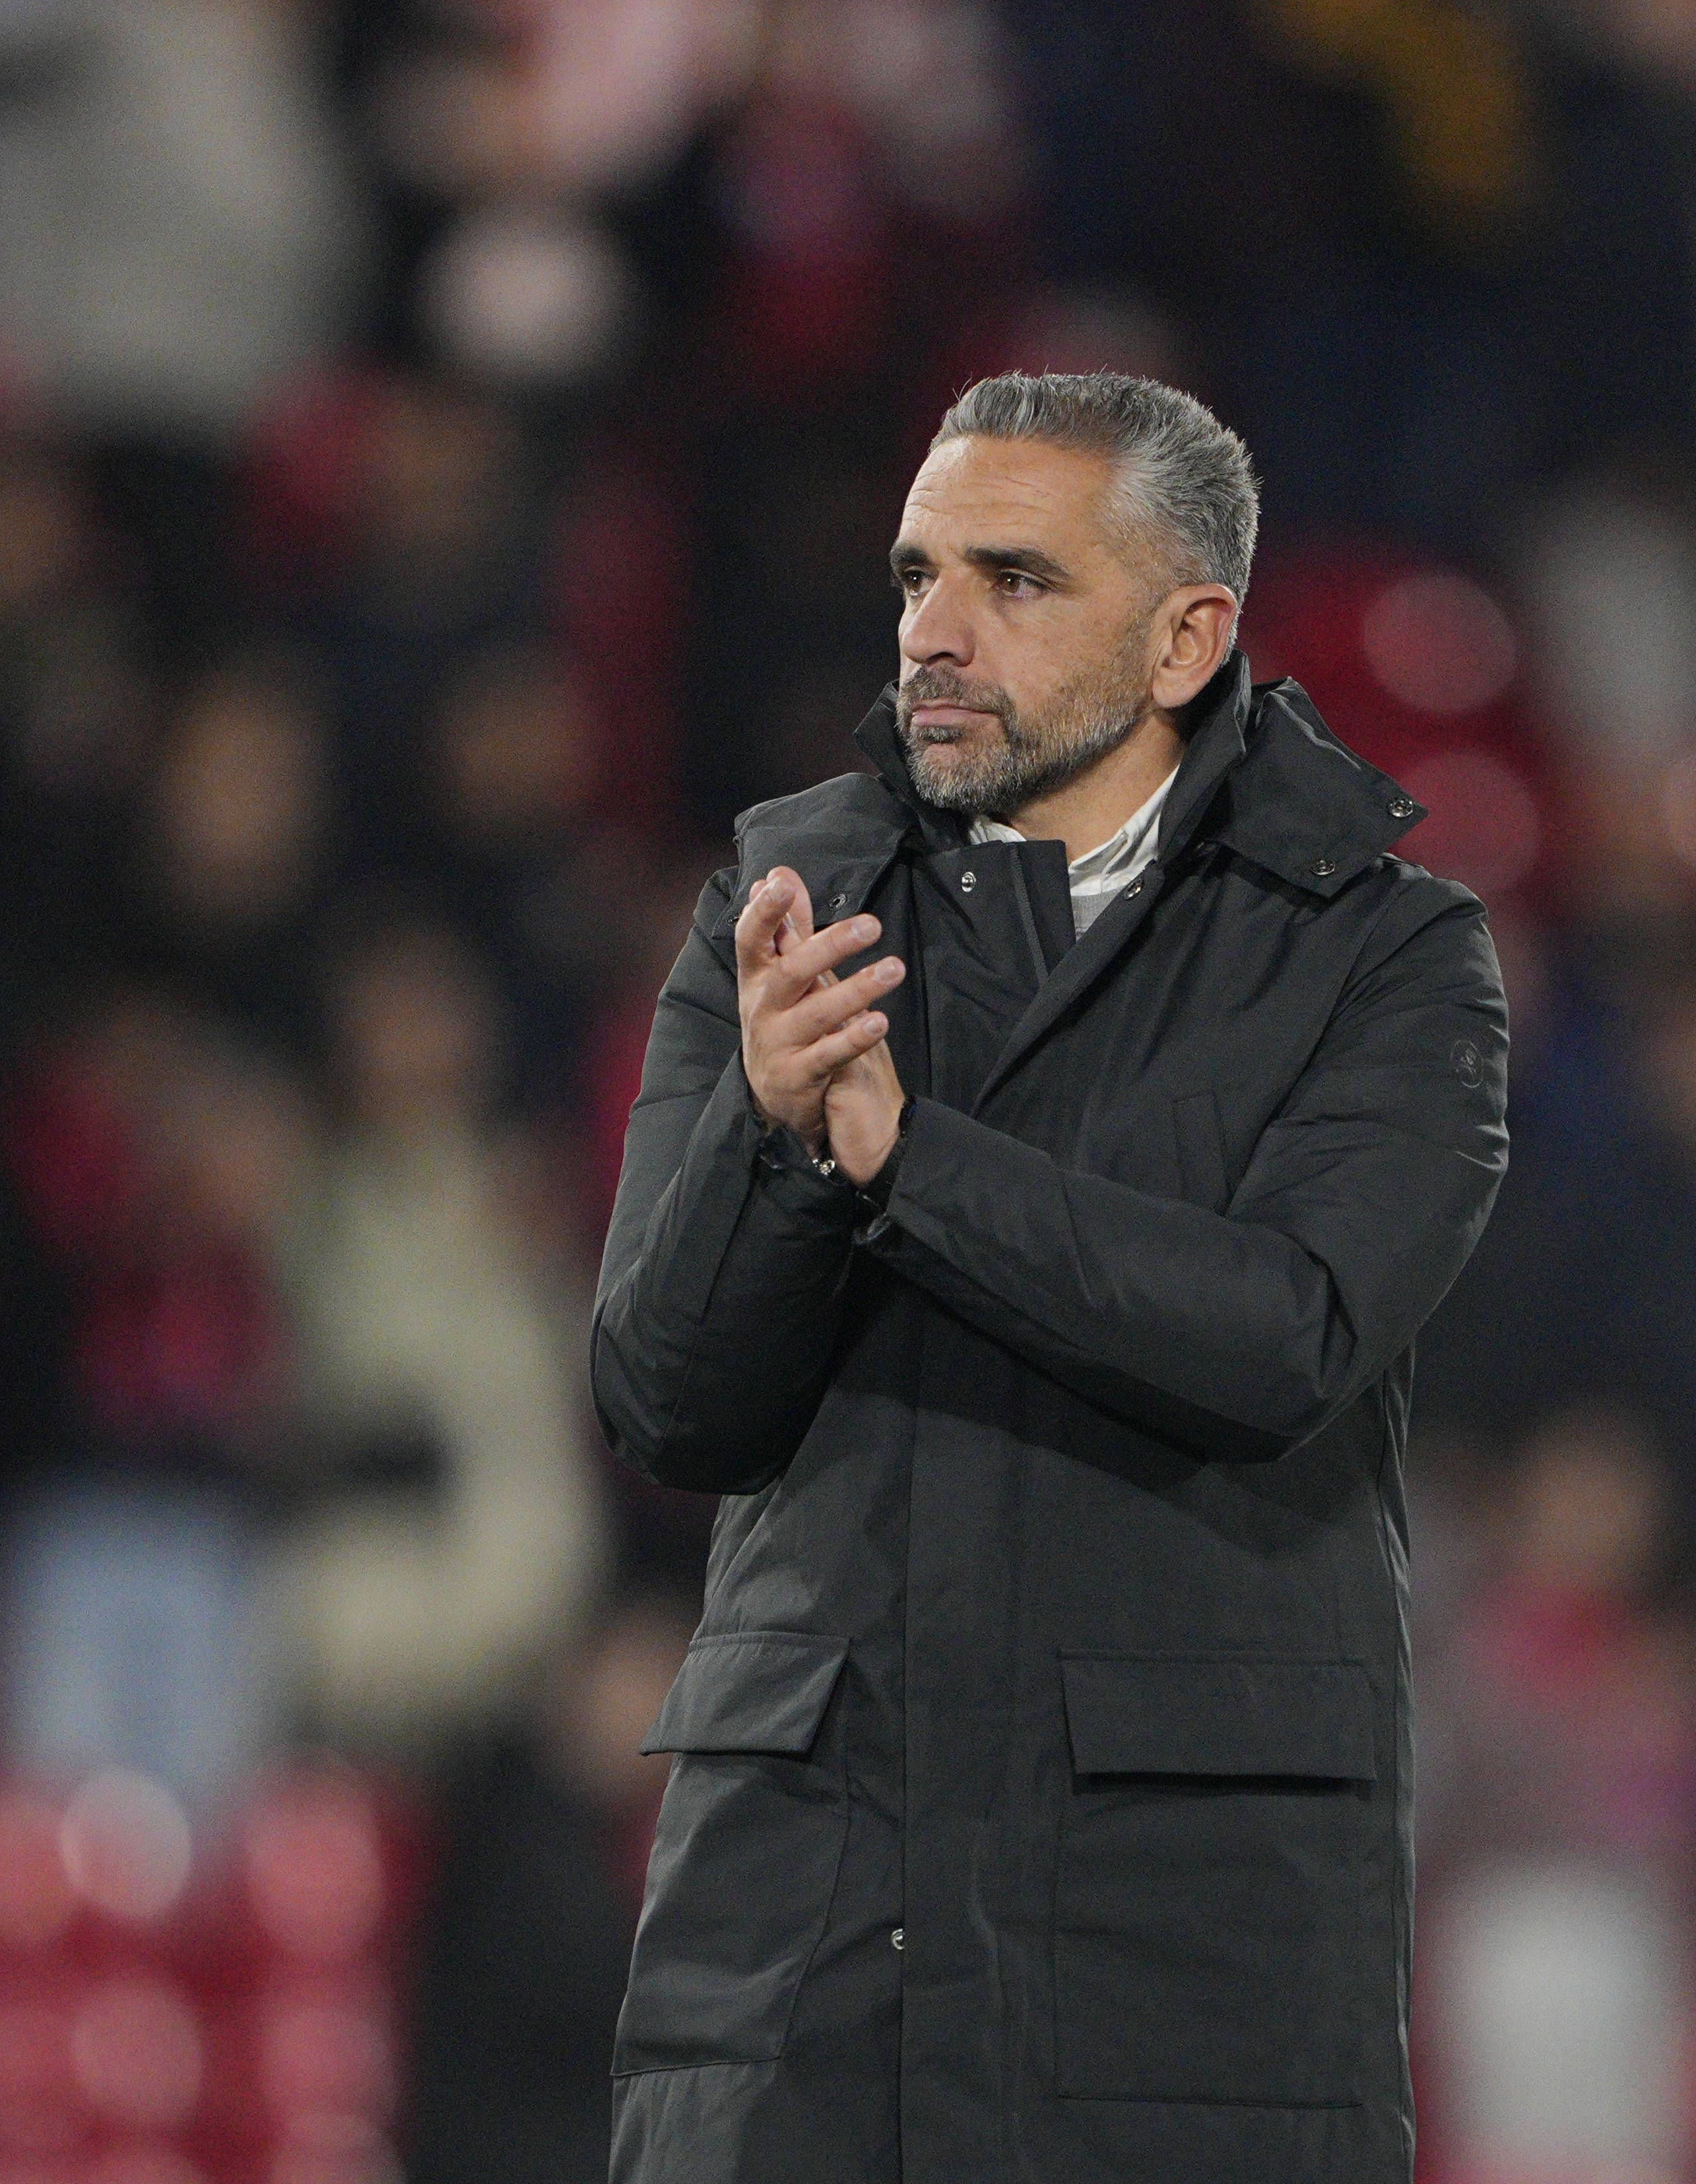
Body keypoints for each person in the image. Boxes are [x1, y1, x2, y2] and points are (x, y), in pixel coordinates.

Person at [589, 372, 1510, 2183]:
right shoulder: (782, 913)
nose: (934, 631)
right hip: (802, 1961)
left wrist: (905, 1158)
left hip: (1187, 1964)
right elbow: (665, 1403)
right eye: (917, 575)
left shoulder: (1386, 954)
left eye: (1013, 580)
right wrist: (780, 1141)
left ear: (1187, 640)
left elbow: (1283, 1336)